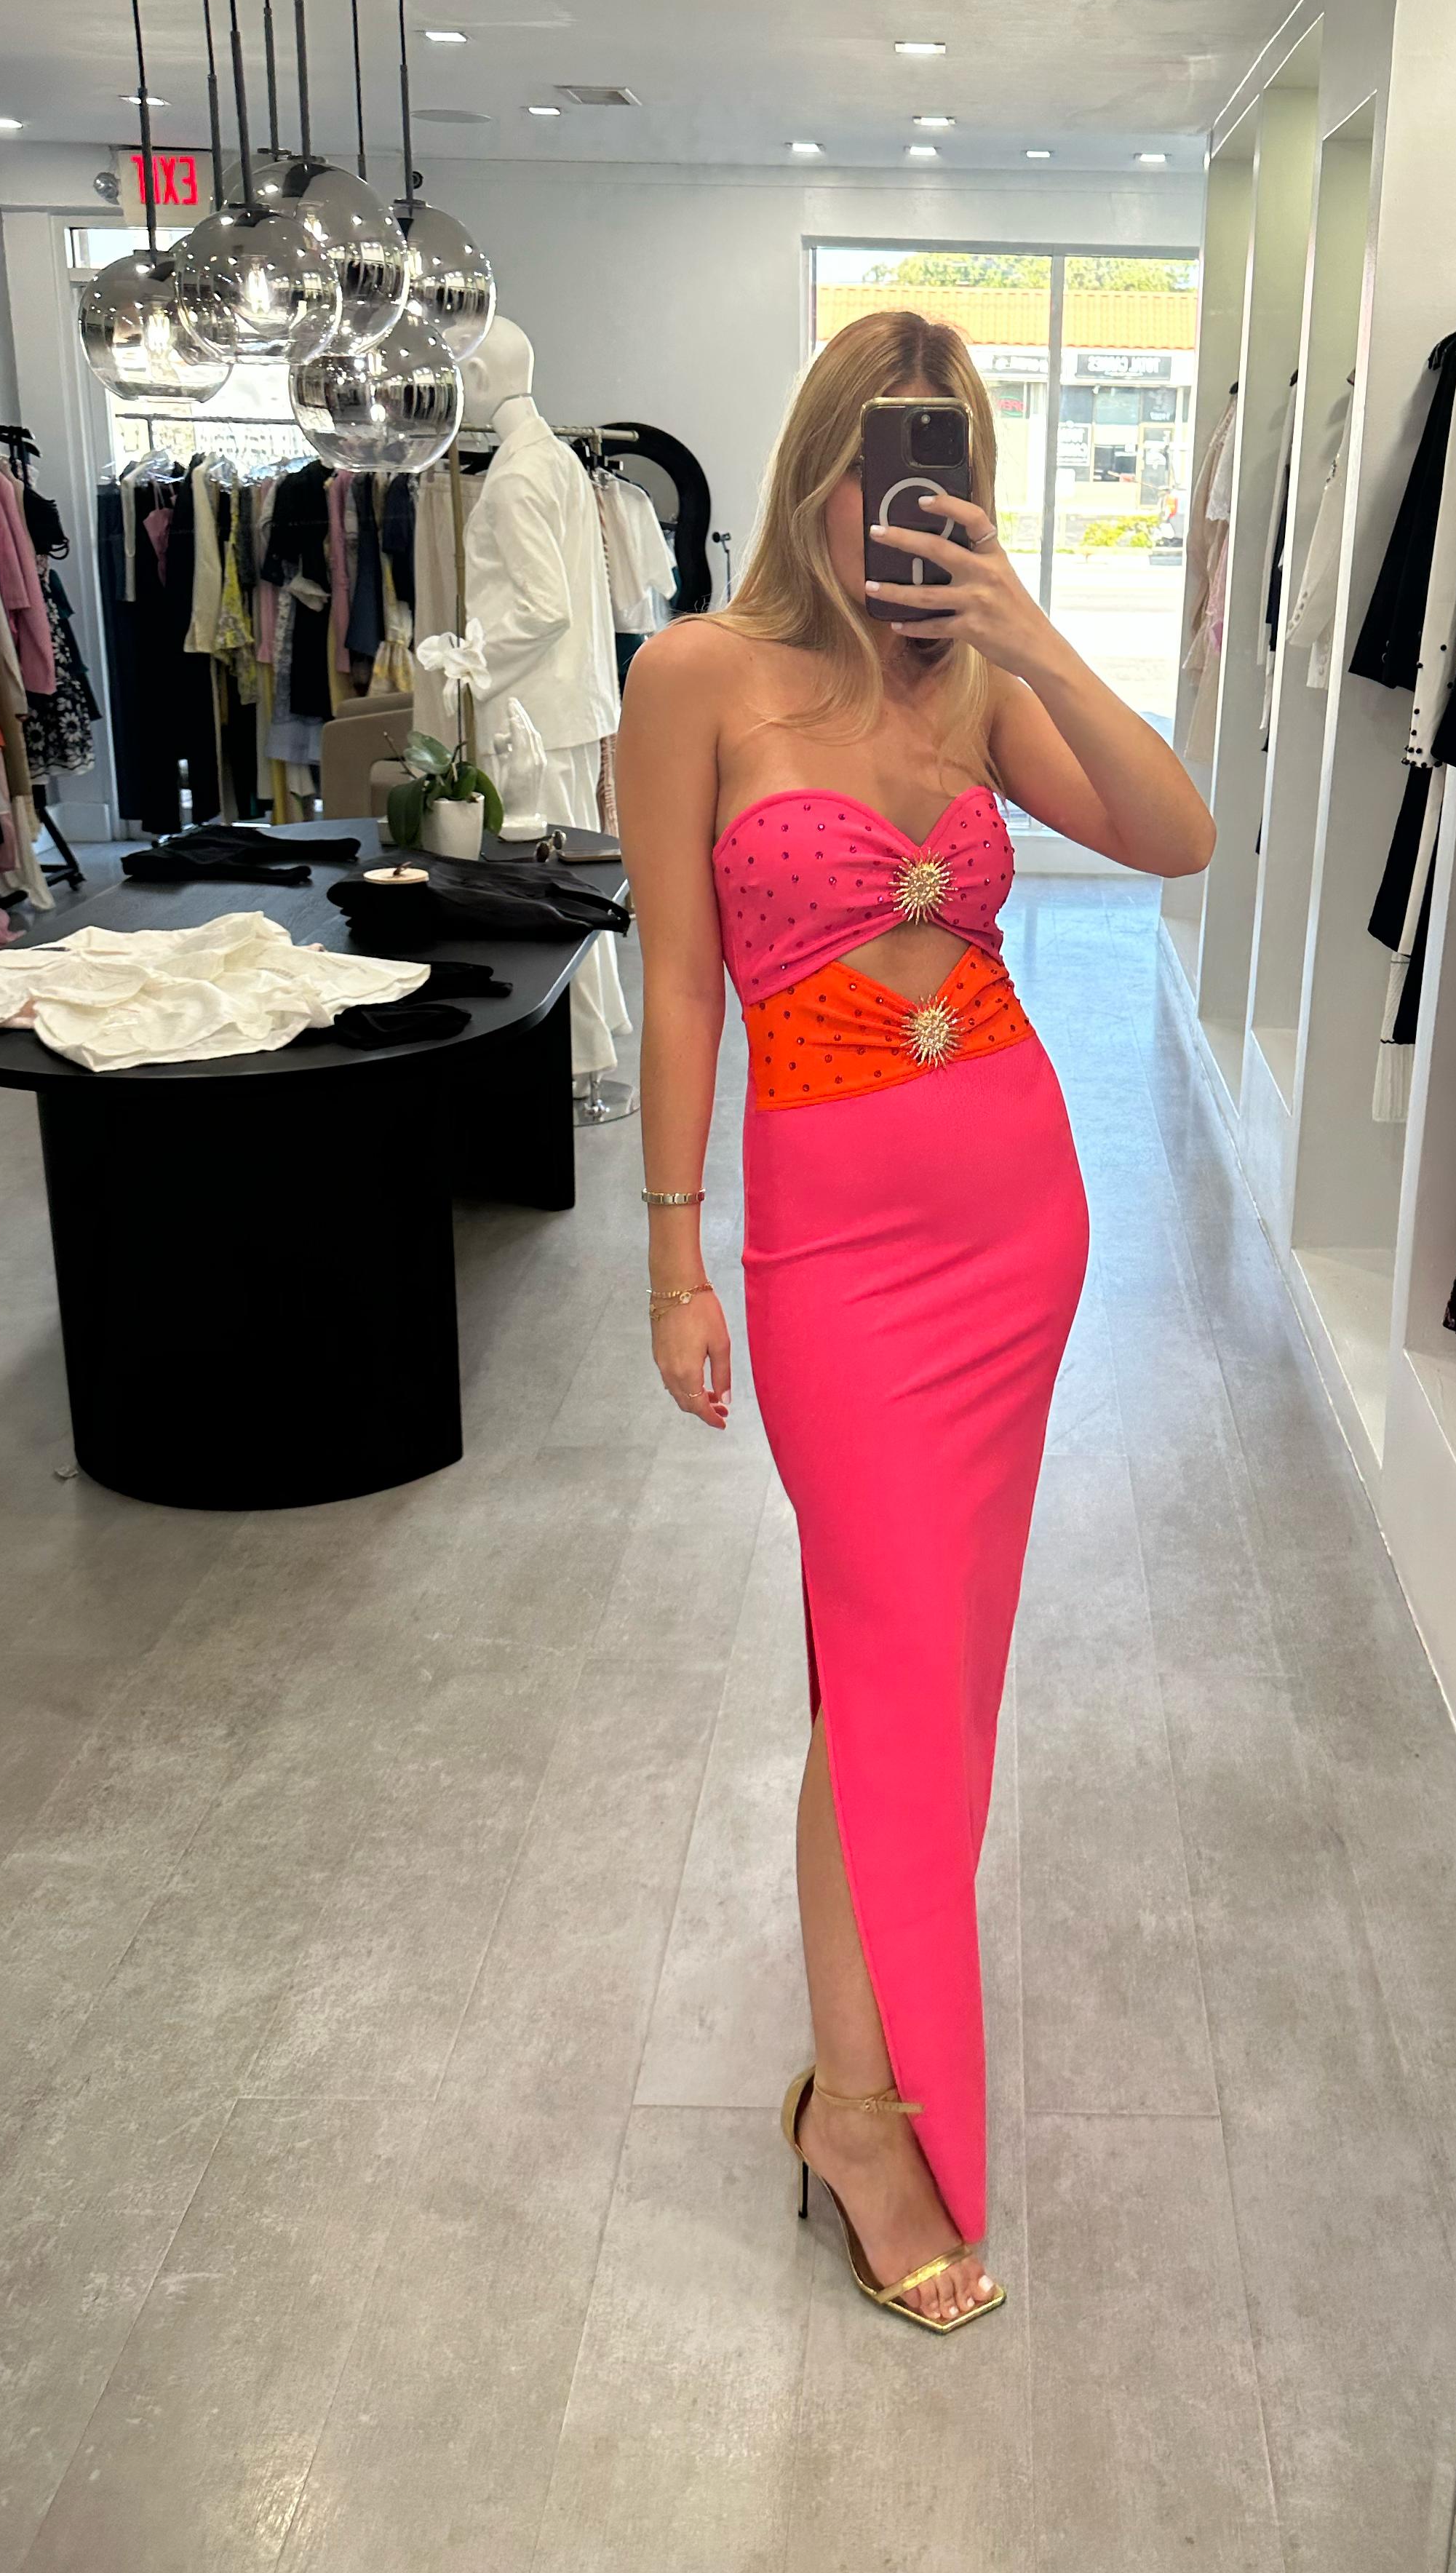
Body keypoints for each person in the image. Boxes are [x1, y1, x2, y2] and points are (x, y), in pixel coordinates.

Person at [616, 311, 1214, 2331]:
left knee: (940, 1676)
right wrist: (674, 1255)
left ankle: (857, 2090)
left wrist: (1027, 629)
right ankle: (859, 2118)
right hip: (835, 1257)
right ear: (823, 468)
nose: (911, 497)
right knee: (883, 1665)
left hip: (1017, 1218)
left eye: (949, 459)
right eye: (889, 456)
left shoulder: (974, 683)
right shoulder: (697, 677)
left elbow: (1177, 834)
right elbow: (678, 983)